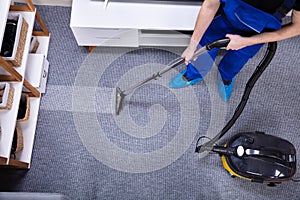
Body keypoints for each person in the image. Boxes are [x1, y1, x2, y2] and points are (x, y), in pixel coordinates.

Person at [169, 0, 300, 102]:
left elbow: (297, 27)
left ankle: (225, 78)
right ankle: (193, 74)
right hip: (223, 19)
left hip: (256, 34)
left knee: (236, 61)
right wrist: (193, 45)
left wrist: (247, 41)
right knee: (203, 51)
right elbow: (210, 4)